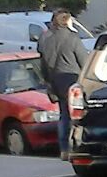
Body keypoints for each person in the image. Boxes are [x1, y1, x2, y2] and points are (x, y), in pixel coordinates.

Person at [37, 9, 90, 160]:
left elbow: (43, 64)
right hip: (73, 80)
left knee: (64, 116)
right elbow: (84, 62)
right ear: (68, 21)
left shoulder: (45, 39)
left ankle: (64, 149)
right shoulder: (72, 38)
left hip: (56, 81)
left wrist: (48, 82)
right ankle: (77, 146)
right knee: (78, 116)